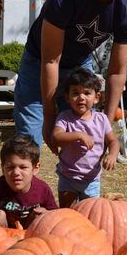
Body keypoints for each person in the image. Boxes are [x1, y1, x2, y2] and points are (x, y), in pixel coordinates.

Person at [14, 0, 127, 153]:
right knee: (29, 142)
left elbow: (117, 72)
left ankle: (75, 187)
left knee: (85, 135)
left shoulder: (125, 12)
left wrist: (106, 125)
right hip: (40, 63)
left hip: (79, 65)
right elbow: (51, 60)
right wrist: (49, 118)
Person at [52, 67, 119, 208]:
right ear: (67, 97)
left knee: (90, 215)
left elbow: (113, 141)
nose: (81, 97)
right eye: (75, 93)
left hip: (91, 179)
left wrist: (112, 154)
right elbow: (56, 137)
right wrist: (79, 135)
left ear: (96, 98)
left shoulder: (102, 119)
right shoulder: (65, 118)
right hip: (68, 177)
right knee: (68, 214)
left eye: (87, 93)